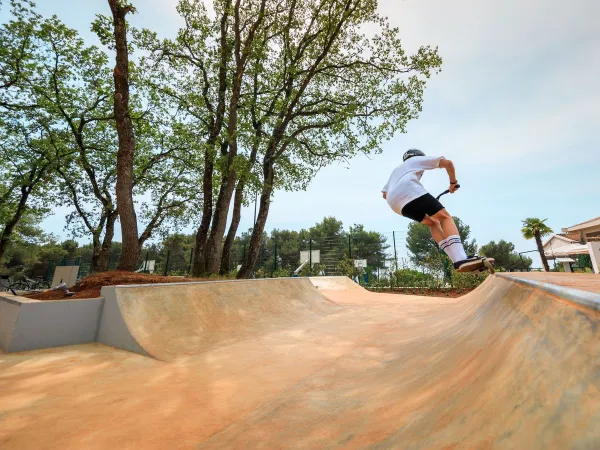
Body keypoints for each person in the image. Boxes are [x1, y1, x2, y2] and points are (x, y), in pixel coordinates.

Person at [381, 149, 482, 272]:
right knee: (444, 217)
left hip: (395, 204)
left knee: (433, 223)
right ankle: (461, 258)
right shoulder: (415, 160)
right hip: (409, 190)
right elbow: (448, 163)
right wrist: (453, 183)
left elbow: (384, 194)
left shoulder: (396, 170)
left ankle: (457, 261)